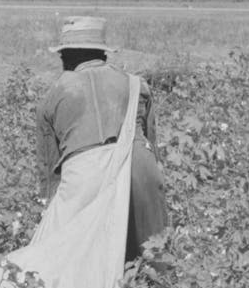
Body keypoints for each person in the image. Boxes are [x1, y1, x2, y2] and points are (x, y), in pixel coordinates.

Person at [36, 16, 168, 261]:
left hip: (86, 174)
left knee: (80, 264)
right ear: (104, 54)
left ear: (65, 57)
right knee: (154, 257)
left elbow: (50, 178)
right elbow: (153, 148)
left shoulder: (54, 96)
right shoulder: (137, 85)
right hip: (140, 168)